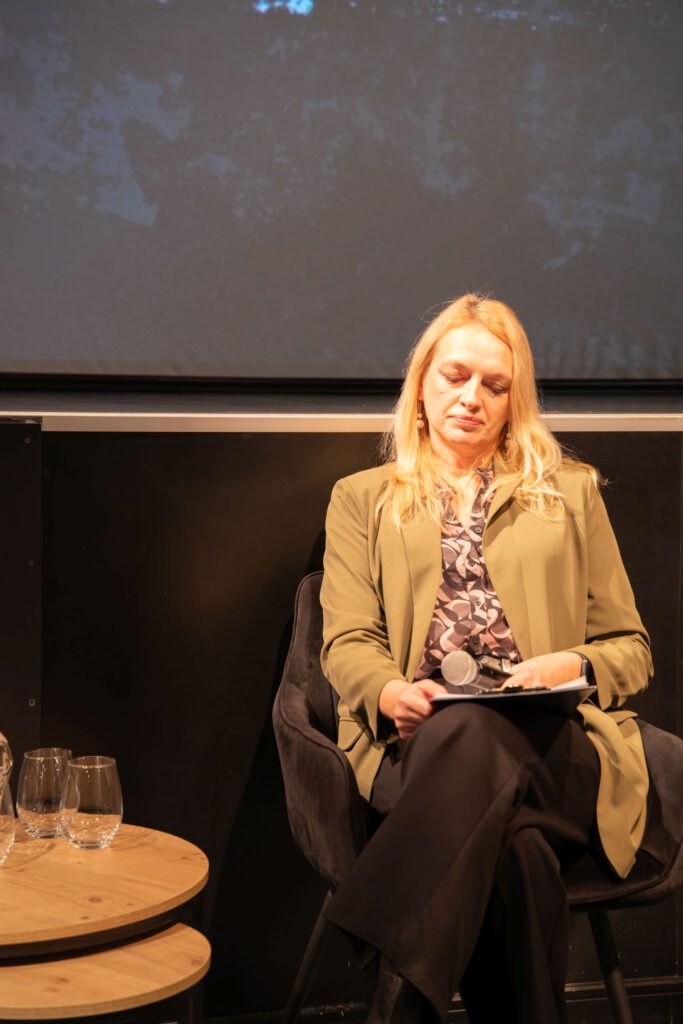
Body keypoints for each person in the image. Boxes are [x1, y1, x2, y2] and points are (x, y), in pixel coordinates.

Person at [319, 293, 652, 1024]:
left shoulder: (569, 493)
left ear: (512, 403)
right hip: (419, 749)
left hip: (555, 746)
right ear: (421, 386)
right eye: (455, 376)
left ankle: (385, 981)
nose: (471, 397)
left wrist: (568, 665)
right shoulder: (360, 499)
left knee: (473, 732)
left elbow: (630, 648)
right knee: (519, 852)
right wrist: (389, 694)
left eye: (494, 385)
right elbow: (346, 641)